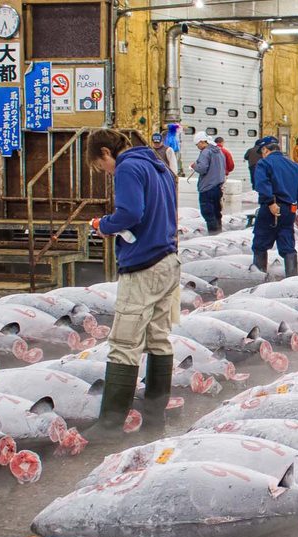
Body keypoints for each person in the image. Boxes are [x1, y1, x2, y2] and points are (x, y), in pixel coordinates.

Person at [85, 128, 178, 430]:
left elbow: (130, 213)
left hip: (143, 266)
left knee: (124, 343)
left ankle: (110, 427)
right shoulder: (158, 165)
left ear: (105, 153)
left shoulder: (128, 168)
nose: (107, 173)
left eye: (102, 167)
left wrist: (103, 224)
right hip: (168, 261)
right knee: (159, 339)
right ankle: (154, 417)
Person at [251, 135, 298, 278]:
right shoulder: (294, 166)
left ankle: (259, 278)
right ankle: (292, 277)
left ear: (265, 149)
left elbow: (262, 184)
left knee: (260, 243)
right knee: (287, 243)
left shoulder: (264, 164)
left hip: (271, 208)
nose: (261, 154)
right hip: (290, 210)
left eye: (261, 151)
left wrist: (270, 203)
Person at [189, 131, 226, 234]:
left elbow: (202, 168)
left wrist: (194, 166)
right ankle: (219, 233)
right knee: (216, 213)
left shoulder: (206, 152)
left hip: (207, 188)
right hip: (217, 187)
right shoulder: (219, 151)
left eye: (197, 144)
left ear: (202, 142)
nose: (197, 147)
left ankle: (213, 235)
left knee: (208, 214)